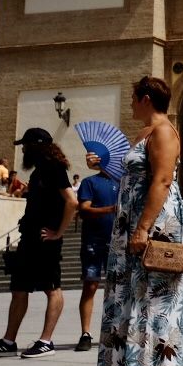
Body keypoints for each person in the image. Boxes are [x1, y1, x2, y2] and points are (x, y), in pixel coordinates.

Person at [64, 76, 183, 366]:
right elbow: (134, 176)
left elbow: (161, 181)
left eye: (133, 98)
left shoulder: (163, 131)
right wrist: (102, 165)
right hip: (133, 220)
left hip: (153, 222)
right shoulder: (146, 132)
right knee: (129, 295)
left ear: (145, 98)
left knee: (153, 296)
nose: (131, 104)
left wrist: (144, 228)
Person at [0, 130, 75, 359]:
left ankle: (46, 341)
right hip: (29, 237)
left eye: (26, 145)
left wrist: (58, 232)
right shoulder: (40, 170)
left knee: (52, 288)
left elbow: (72, 201)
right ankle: (8, 341)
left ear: (37, 146)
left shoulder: (53, 168)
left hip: (45, 239)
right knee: (19, 289)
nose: (22, 150)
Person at [74, 149, 120, 354]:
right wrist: (109, 210)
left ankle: (114, 329)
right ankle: (85, 333)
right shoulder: (89, 183)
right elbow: (83, 209)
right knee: (90, 286)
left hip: (117, 241)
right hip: (93, 240)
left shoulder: (123, 184)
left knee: (116, 288)